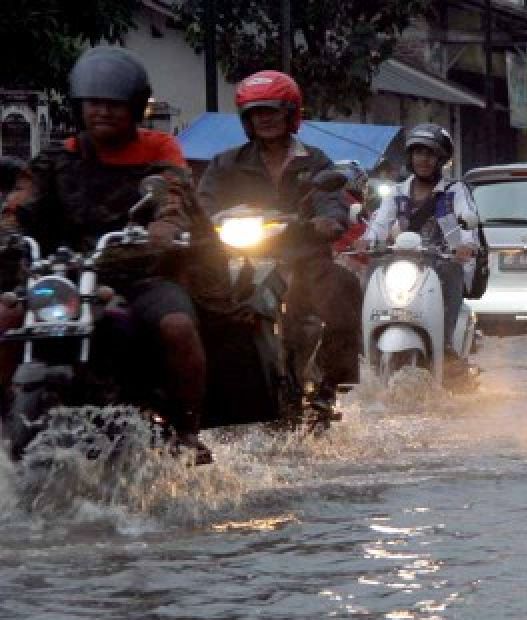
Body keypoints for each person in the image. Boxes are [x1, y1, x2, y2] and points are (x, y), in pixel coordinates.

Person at [4, 46, 214, 461]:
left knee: (176, 327)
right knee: (7, 318)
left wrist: (165, 226)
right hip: (66, 274)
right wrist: (7, 227)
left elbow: (172, 192)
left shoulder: (159, 149)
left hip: (143, 275)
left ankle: (187, 430)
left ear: (134, 108)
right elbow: (21, 201)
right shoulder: (59, 156)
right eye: (94, 103)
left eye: (114, 104)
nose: (102, 112)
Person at [197, 70, 362, 413]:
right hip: (240, 261)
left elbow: (333, 198)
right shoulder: (227, 163)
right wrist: (202, 222)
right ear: (246, 119)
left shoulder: (315, 161)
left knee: (343, 287)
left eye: (273, 110)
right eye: (257, 113)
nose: (265, 119)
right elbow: (204, 203)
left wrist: (329, 220)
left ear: (291, 114)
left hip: (304, 258)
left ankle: (330, 385)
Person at [361, 123, 478, 381]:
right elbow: (380, 225)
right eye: (418, 153)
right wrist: (367, 241)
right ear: (410, 157)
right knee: (370, 269)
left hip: (441, 261)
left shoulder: (455, 191)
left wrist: (466, 246)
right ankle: (365, 339)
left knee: (451, 270)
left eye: (430, 153)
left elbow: (468, 222)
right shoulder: (398, 192)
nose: (423, 159)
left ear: (441, 159)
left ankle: (445, 345)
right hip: (404, 261)